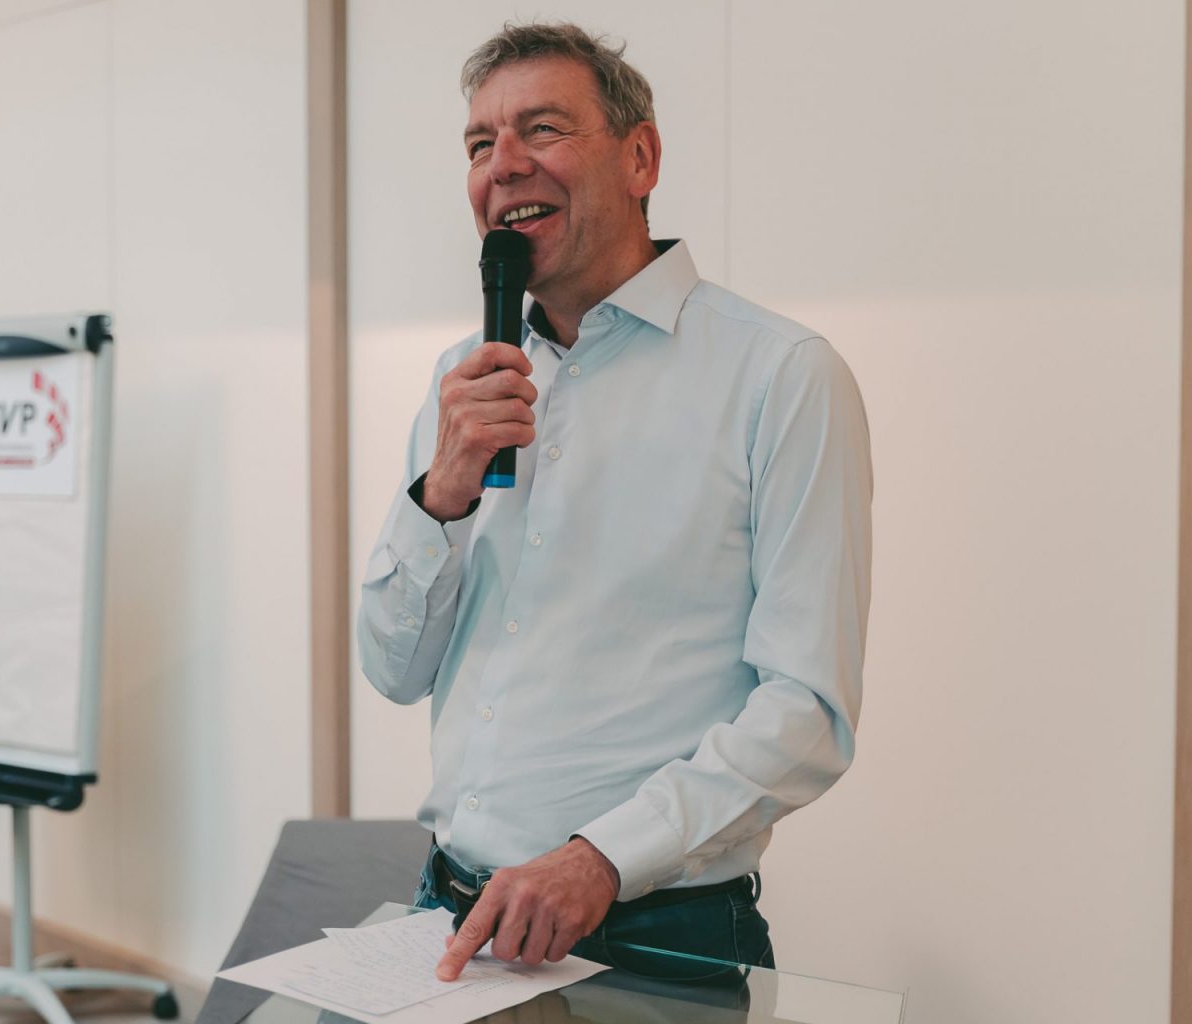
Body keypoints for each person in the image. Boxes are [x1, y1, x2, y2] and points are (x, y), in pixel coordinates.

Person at [357, 21, 873, 984]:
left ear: (641, 159)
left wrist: (601, 858)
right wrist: (442, 494)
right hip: (453, 913)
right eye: (479, 144)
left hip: (654, 934)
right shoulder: (465, 380)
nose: (503, 166)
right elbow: (392, 668)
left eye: (542, 129)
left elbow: (807, 709)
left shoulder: (781, 376)